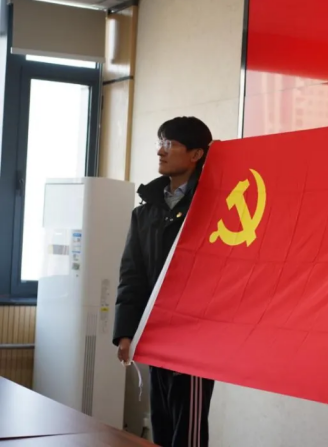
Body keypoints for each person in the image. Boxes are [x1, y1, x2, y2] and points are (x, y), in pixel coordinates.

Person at [113, 116, 216, 447]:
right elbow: (132, 275)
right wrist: (126, 331)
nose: (160, 151)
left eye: (170, 144)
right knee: (161, 422)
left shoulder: (213, 205)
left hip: (195, 335)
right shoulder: (145, 213)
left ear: (196, 154)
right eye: (160, 142)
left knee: (188, 430)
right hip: (155, 331)